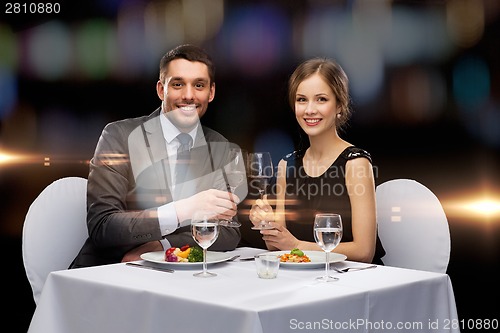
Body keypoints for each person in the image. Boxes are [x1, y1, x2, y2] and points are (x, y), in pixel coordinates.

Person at [70, 44, 244, 268]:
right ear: (161, 90)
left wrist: (164, 246)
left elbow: (228, 232)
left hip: (177, 278)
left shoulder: (222, 149)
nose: (189, 95)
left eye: (199, 85)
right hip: (109, 273)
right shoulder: (119, 136)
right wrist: (183, 210)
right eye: (178, 84)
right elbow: (103, 226)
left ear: (211, 93)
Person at [249, 57, 385, 264]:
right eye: (301, 99)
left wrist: (296, 246)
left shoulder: (355, 163)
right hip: (301, 279)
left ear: (339, 105)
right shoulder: (287, 166)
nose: (310, 110)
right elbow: (276, 247)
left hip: (350, 280)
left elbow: (365, 251)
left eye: (321, 99)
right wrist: (267, 224)